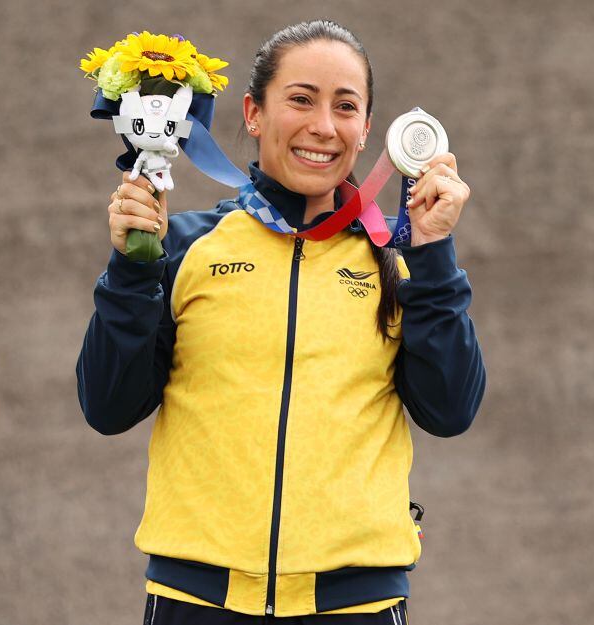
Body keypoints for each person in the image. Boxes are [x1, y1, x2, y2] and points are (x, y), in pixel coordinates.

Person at [76, 20, 485, 624]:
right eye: (301, 99)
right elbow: (108, 407)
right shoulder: (183, 247)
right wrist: (131, 269)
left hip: (357, 604)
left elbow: (450, 411)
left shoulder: (397, 260)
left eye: (346, 106)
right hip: (197, 602)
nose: (324, 126)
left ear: (368, 128)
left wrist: (432, 253)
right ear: (253, 113)